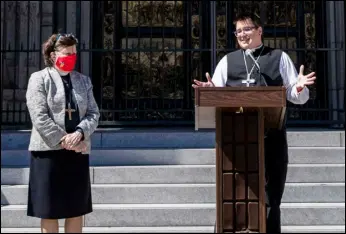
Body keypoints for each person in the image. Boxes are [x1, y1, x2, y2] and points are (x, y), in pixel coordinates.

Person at [192, 13, 316, 233]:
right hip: (234, 142)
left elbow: (296, 96)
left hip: (271, 138)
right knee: (232, 194)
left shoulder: (278, 57)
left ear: (260, 31)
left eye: (246, 29)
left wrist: (299, 88)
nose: (242, 35)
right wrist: (211, 92)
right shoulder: (228, 61)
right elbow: (217, 93)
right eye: (238, 31)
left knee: (271, 197)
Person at [25, 33, 100, 233]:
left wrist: (80, 132)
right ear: (52, 55)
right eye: (67, 53)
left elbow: (93, 113)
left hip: (76, 153)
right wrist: (66, 140)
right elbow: (39, 116)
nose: (72, 56)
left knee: (75, 208)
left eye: (74, 52)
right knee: (49, 210)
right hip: (47, 153)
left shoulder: (83, 81)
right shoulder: (39, 79)